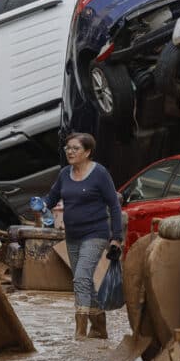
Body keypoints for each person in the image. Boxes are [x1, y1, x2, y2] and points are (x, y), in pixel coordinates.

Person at [41, 132, 123, 340]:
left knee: (81, 278)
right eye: (67, 148)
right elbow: (51, 198)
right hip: (73, 236)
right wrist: (41, 205)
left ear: (87, 152)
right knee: (83, 282)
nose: (69, 151)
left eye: (75, 148)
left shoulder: (100, 173)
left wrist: (117, 237)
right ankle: (100, 328)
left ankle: (80, 332)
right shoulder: (64, 174)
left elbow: (114, 205)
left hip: (95, 234)